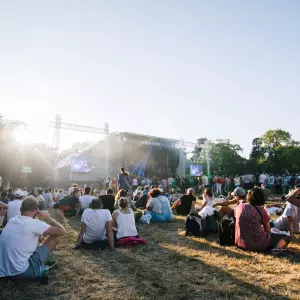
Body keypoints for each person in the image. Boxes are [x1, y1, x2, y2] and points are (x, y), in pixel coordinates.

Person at [0, 196, 66, 278]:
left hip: (3, 270)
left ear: (20, 210)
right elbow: (62, 231)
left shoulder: (12, 220)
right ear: (37, 210)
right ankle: (39, 267)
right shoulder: (34, 223)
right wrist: (48, 218)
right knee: (56, 236)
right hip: (20, 271)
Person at [235, 188, 291, 253]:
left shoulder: (239, 207)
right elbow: (268, 231)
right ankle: (276, 248)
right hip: (258, 244)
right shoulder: (261, 210)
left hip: (241, 243)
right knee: (287, 237)